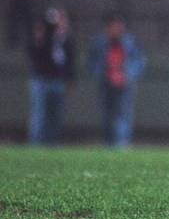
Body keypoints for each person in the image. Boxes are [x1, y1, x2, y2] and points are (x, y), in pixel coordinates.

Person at [88, 12, 144, 147]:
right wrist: (100, 73)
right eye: (114, 25)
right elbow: (92, 61)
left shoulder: (129, 41)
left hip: (124, 83)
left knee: (123, 113)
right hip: (106, 82)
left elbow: (139, 60)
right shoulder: (100, 42)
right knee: (107, 113)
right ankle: (109, 141)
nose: (117, 28)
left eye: (119, 25)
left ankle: (122, 141)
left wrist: (129, 74)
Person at [27, 8, 76, 144]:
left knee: (56, 115)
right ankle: (36, 144)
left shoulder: (67, 39)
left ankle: (52, 143)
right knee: (39, 115)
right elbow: (34, 55)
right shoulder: (43, 37)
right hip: (41, 79)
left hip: (58, 81)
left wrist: (70, 79)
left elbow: (70, 61)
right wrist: (40, 36)